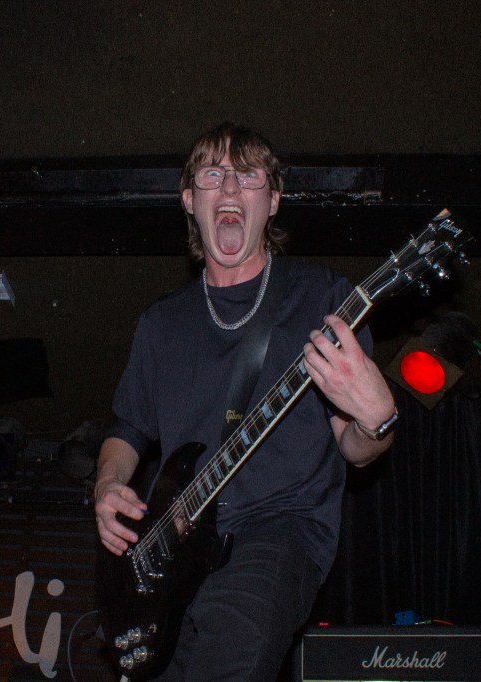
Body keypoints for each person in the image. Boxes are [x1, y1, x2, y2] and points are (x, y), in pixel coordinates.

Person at [94, 121, 398, 681]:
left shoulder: (323, 298)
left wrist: (376, 419)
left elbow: (356, 452)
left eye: (248, 176)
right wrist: (109, 484)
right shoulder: (161, 324)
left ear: (273, 200)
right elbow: (127, 429)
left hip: (276, 531)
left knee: (229, 659)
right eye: (213, 174)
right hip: (172, 552)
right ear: (190, 200)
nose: (229, 188)